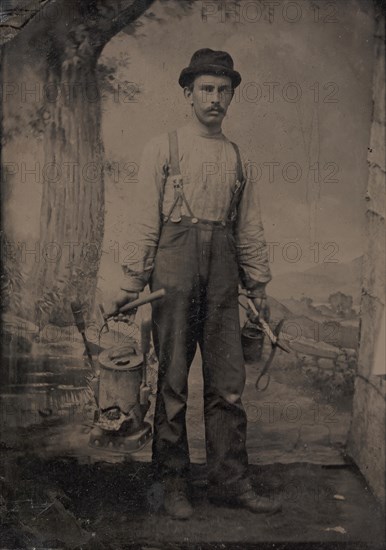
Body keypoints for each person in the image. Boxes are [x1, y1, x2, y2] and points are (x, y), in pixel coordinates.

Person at [110, 48, 281, 519]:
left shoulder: (237, 158)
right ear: (188, 93)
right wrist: (130, 281)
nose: (215, 98)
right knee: (173, 382)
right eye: (206, 88)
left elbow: (248, 228)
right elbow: (144, 218)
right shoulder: (162, 148)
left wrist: (260, 287)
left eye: (224, 90)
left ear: (231, 96)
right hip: (174, 273)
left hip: (225, 277)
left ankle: (230, 481)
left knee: (228, 385)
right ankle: (172, 483)